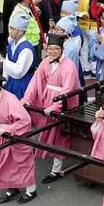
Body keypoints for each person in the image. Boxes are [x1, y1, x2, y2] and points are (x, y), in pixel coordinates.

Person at [21, 34, 80, 185]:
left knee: (59, 135)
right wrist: (27, 98)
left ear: (62, 49)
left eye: (56, 49)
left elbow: (67, 90)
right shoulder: (45, 62)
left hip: (61, 103)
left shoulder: (69, 66)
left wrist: (55, 107)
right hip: (46, 99)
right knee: (46, 130)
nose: (52, 52)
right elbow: (35, 81)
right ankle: (46, 153)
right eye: (50, 48)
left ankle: (56, 168)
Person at [0, 68, 37, 204]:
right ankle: (12, 188)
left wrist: (9, 128)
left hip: (16, 135)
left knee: (22, 162)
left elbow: (25, 120)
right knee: (5, 164)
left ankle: (31, 190)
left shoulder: (10, 99)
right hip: (0, 135)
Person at [0, 14, 37, 100]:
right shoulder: (12, 44)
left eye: (13, 29)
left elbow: (19, 72)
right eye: (10, 28)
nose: (10, 31)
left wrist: (1, 60)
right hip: (11, 82)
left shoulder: (26, 49)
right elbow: (8, 60)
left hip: (23, 84)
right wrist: (4, 79)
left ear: (21, 31)